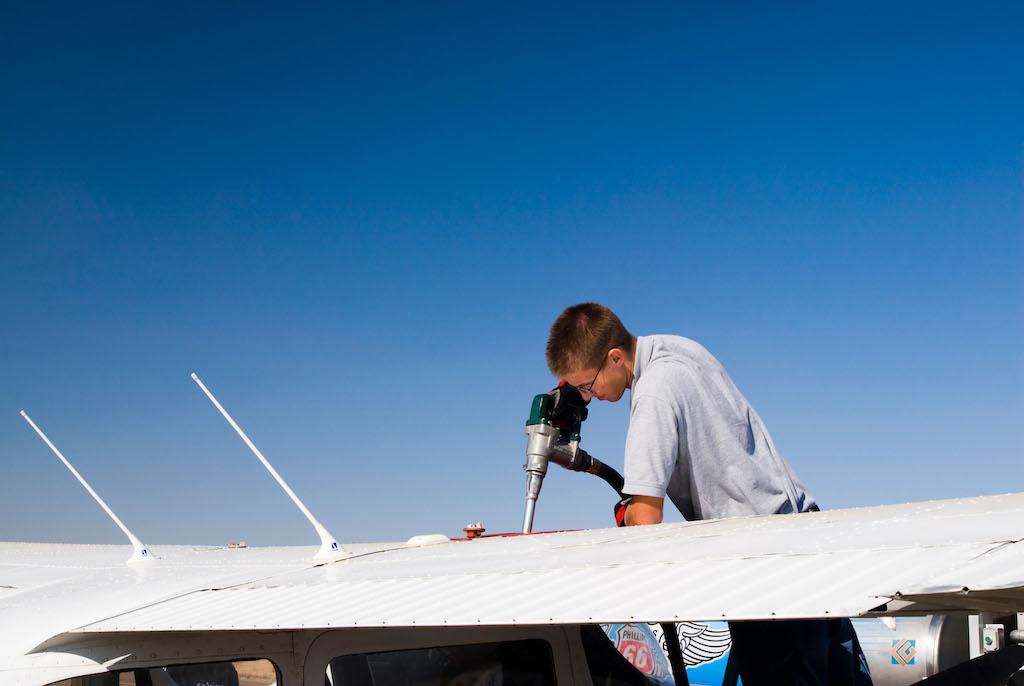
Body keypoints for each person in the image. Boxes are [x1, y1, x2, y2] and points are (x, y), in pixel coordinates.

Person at [546, 302, 872, 686]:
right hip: (807, 535)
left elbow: (645, 521)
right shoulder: (680, 349)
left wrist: (627, 522)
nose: (589, 396)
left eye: (588, 384)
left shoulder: (652, 396)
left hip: (763, 565)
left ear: (615, 357)